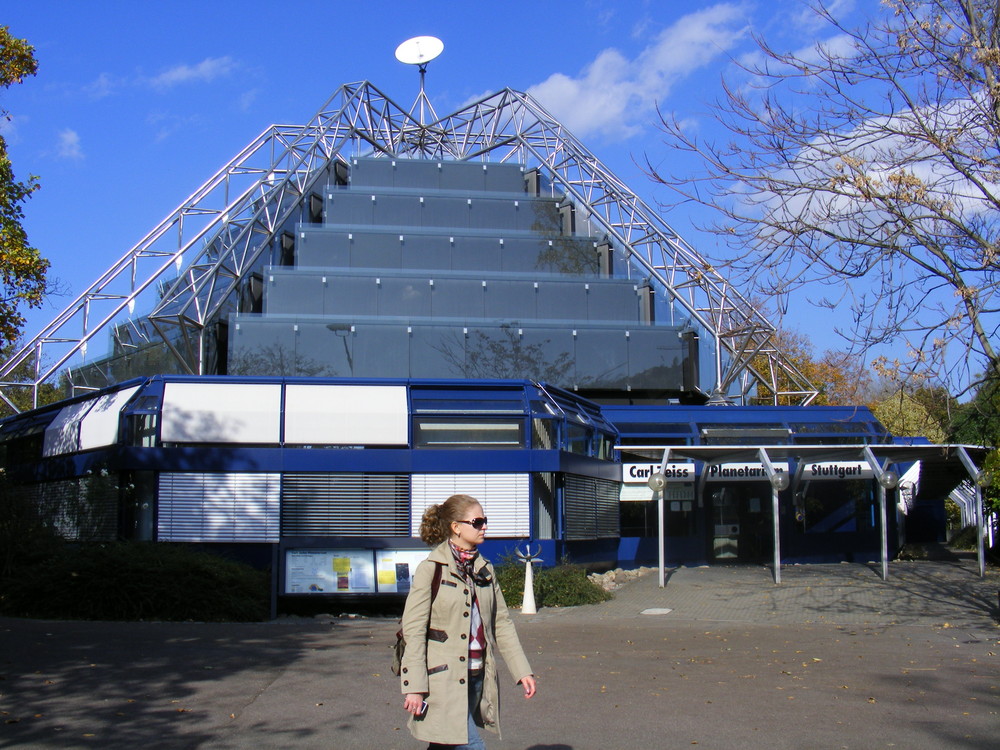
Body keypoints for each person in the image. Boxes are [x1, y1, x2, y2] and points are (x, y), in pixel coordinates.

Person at [400, 494, 537, 749]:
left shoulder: (484, 568)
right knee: (469, 744)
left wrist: (522, 670)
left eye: (484, 521)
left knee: (445, 743)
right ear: (456, 527)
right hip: (441, 680)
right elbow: (414, 631)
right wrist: (415, 687)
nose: (484, 526)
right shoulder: (432, 568)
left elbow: (501, 623)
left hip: (477, 675)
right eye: (478, 521)